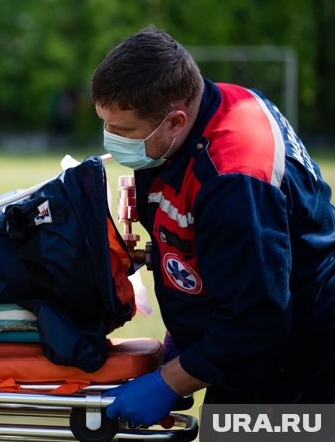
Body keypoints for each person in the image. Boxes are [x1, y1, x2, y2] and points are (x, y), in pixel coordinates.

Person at [90, 27, 335, 426]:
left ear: (175, 120)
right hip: (264, 340)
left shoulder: (233, 178)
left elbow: (255, 321)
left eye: (125, 131)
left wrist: (167, 383)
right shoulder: (201, 111)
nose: (110, 140)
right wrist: (186, 330)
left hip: (305, 357)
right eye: (105, 123)